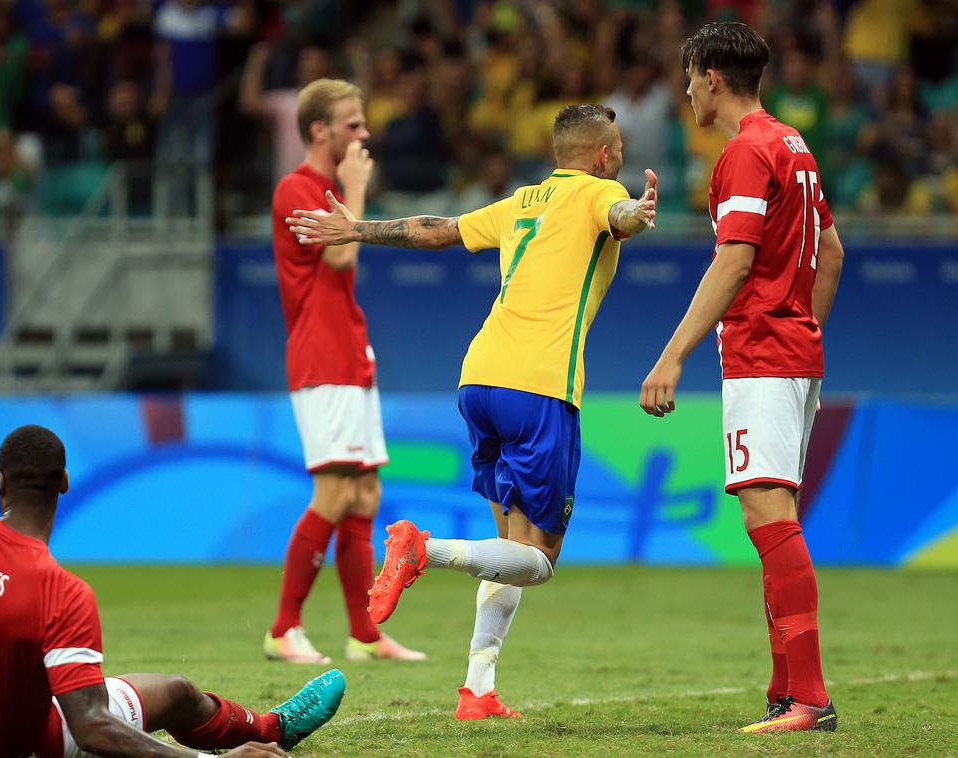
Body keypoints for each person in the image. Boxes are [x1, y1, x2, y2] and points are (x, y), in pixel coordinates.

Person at [287, 104, 658, 718]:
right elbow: (618, 216)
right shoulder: (601, 192)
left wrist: (359, 230)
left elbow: (437, 229)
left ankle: (477, 689)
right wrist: (637, 214)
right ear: (601, 155)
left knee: (508, 546)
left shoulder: (520, 201)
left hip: (480, 379)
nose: (619, 154)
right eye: (616, 146)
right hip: (541, 389)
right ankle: (421, 552)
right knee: (538, 561)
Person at [0, 425, 346, 758]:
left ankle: (273, 730)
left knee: (169, 691)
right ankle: (266, 733)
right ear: (63, 482)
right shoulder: (62, 590)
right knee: (176, 693)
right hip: (39, 746)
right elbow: (92, 727)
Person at [637, 22, 844, 734]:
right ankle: (786, 685)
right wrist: (803, 329)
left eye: (689, 76)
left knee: (769, 517)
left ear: (709, 75)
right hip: (794, 350)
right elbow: (834, 253)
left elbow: (733, 260)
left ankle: (808, 697)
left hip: (763, 352)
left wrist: (672, 355)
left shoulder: (745, 153)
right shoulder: (794, 145)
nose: (686, 89)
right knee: (771, 513)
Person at [265, 77, 425, 664]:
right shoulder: (297, 189)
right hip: (320, 356)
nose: (363, 134)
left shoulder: (328, 187)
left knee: (363, 492)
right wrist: (355, 193)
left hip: (351, 354)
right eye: (352, 125)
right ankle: (284, 629)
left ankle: (364, 635)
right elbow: (341, 252)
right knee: (333, 492)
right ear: (318, 130)